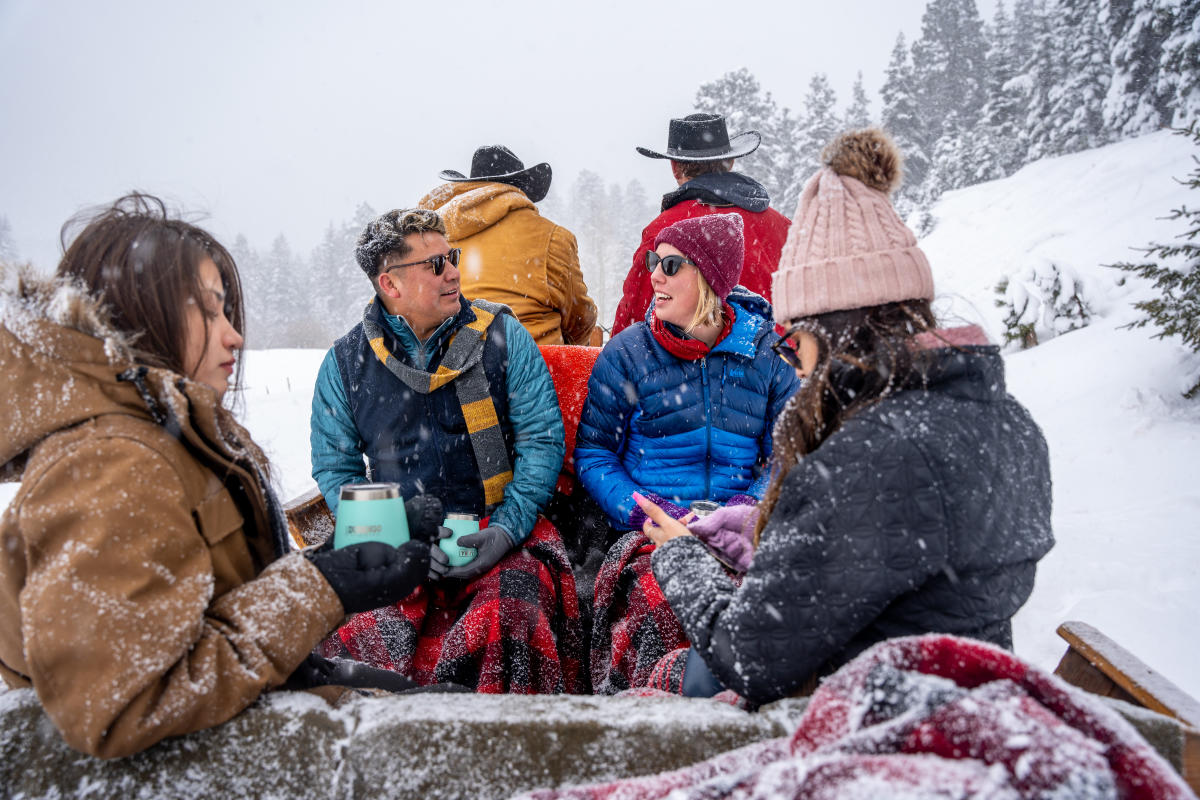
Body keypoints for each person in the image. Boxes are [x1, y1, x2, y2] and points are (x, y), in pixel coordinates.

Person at [0, 194, 438, 759]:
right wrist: (319, 586)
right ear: (138, 315)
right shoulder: (111, 462)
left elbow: (207, 597)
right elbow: (121, 703)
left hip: (245, 713)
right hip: (216, 759)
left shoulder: (159, 439)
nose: (233, 335)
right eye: (208, 311)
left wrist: (327, 566)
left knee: (438, 702)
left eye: (228, 311)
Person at [633, 129, 1055, 706]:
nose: (796, 370)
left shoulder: (875, 451)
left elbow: (748, 655)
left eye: (795, 346)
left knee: (676, 675)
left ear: (831, 334)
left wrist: (680, 551)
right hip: (966, 686)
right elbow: (912, 568)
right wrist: (773, 536)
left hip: (879, 716)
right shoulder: (1006, 421)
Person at [309, 208, 586, 693]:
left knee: (510, 616)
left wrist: (507, 528)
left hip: (503, 531)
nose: (455, 272)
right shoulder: (345, 363)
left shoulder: (502, 335)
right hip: (398, 541)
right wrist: (394, 541)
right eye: (436, 264)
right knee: (358, 642)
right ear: (390, 285)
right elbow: (337, 469)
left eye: (452, 257)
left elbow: (542, 440)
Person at [573, 212, 801, 693]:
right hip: (650, 534)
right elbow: (594, 454)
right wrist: (651, 513)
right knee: (657, 607)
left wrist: (747, 509)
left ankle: (739, 725)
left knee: (763, 616)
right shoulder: (628, 353)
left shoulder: (768, 354)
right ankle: (650, 725)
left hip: (744, 534)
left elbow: (786, 455)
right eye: (655, 261)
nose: (654, 274)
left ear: (711, 278)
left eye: (672, 265)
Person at [610, 113, 790, 336]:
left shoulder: (664, 229)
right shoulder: (783, 227)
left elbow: (634, 313)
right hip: (782, 361)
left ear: (675, 167)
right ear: (730, 161)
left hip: (696, 365)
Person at [419, 144, 599, 346]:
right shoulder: (553, 237)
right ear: (521, 189)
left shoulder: (431, 235)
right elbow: (580, 319)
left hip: (451, 368)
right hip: (535, 367)